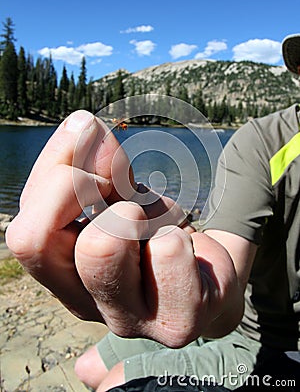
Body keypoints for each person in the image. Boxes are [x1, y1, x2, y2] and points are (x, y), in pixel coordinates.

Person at [6, 34, 300, 392]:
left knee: (117, 382)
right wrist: (212, 291)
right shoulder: (265, 141)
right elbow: (227, 284)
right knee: (87, 367)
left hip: (278, 348)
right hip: (249, 321)